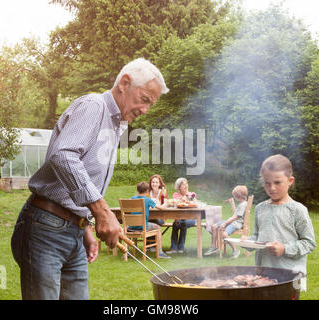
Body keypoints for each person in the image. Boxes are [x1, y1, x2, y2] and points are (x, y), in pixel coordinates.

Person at [10, 58, 169, 300]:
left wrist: (84, 223)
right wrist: (102, 211)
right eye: (144, 99)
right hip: (45, 230)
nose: (145, 109)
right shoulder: (95, 106)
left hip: (72, 231)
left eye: (151, 104)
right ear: (125, 83)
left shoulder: (115, 125)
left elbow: (80, 176)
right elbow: (63, 156)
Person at [242, 154, 316, 291]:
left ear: (290, 181)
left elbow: (309, 243)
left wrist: (284, 249)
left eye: (277, 183)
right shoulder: (260, 208)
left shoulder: (297, 210)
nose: (272, 188)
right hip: (263, 274)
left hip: (289, 275)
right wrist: (248, 242)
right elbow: (258, 237)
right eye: (267, 183)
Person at [204, 185, 248, 258]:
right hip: (232, 221)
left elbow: (237, 217)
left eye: (235, 196)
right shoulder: (242, 203)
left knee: (224, 234)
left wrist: (225, 223)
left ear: (238, 196)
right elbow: (236, 214)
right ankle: (213, 247)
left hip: (236, 223)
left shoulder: (243, 205)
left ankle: (235, 250)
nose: (234, 197)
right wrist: (232, 204)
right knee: (214, 226)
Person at [130, 181, 170, 259]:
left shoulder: (132, 199)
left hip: (131, 227)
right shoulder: (148, 200)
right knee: (158, 228)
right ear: (147, 190)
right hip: (143, 226)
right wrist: (165, 201)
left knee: (151, 224)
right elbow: (162, 208)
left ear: (138, 190)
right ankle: (160, 253)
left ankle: (127, 252)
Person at [166, 177, 197, 254]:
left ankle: (181, 248)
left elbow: (196, 205)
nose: (186, 186)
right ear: (179, 187)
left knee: (184, 223)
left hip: (191, 218)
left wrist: (190, 198)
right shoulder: (176, 195)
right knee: (175, 224)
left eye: (186, 183)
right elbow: (175, 205)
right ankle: (173, 248)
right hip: (180, 217)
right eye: (183, 184)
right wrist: (176, 218)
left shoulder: (192, 194)